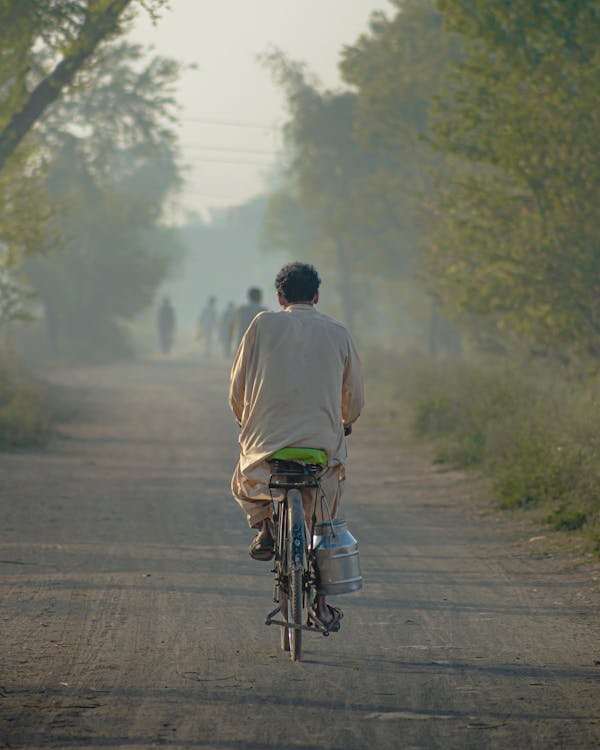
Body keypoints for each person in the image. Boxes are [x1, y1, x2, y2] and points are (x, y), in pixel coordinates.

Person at [229, 262, 364, 630]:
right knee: (326, 518)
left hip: (266, 443)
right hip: (321, 443)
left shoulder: (261, 325)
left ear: (280, 298)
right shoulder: (337, 331)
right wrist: (346, 422)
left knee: (245, 479)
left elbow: (237, 387)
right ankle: (321, 605)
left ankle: (265, 527)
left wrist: (247, 421)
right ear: (317, 296)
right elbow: (354, 394)